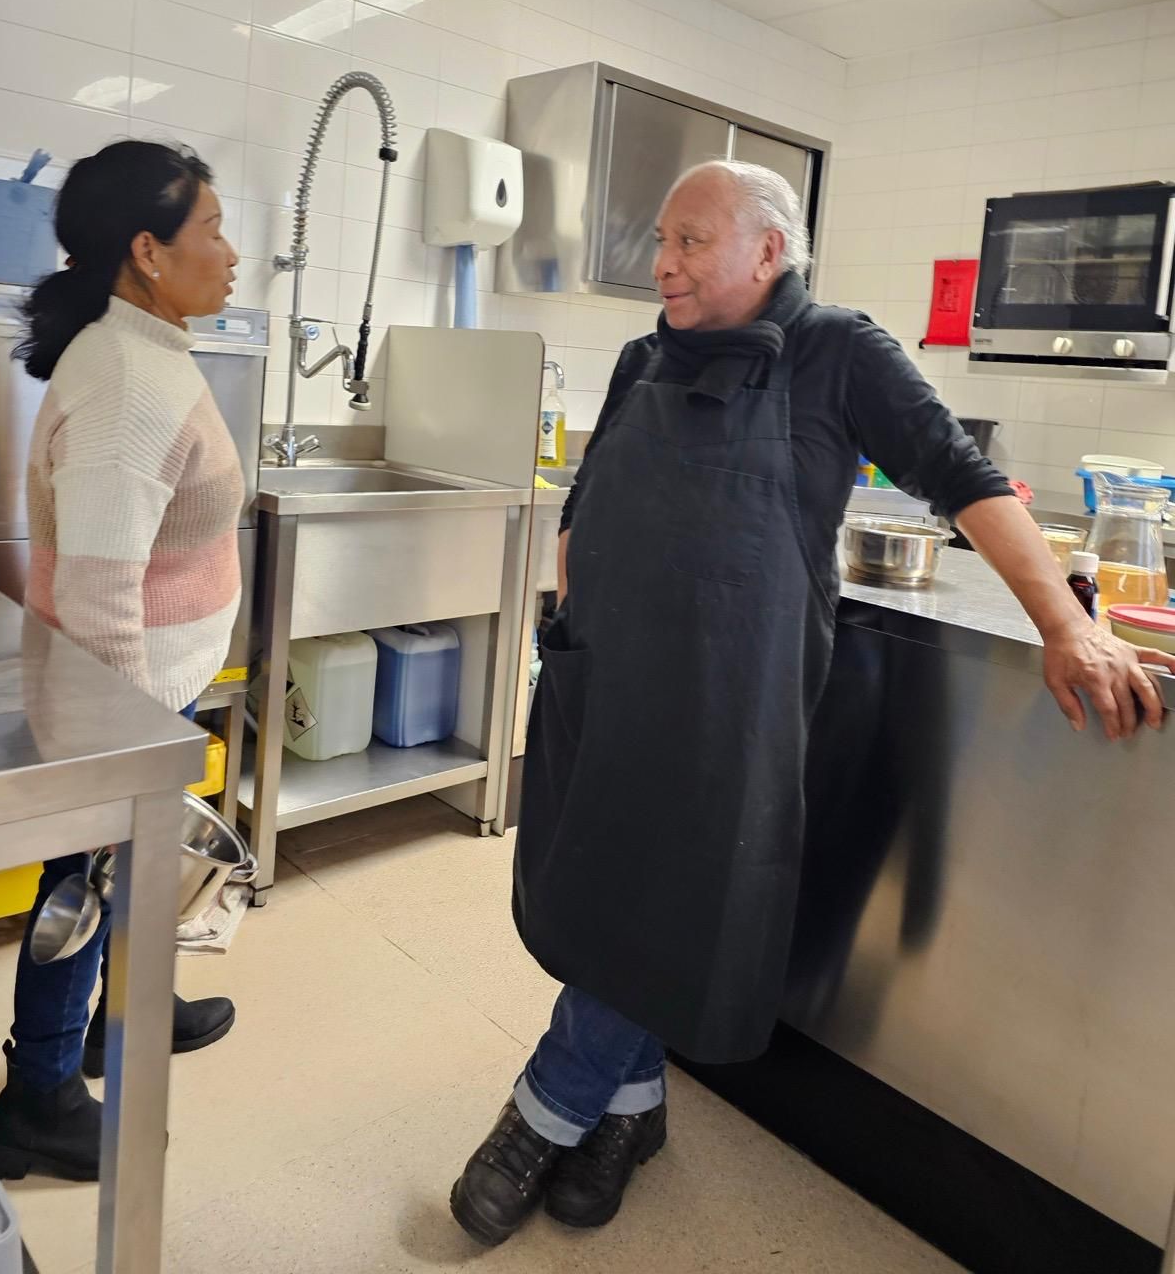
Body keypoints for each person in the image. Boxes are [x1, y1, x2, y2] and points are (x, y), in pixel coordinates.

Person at [450, 159, 1175, 1246]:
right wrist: (574, 611)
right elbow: (588, 496)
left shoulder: (839, 351)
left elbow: (963, 478)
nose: (663, 263)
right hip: (607, 679)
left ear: (768, 250)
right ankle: (631, 1111)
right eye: (662, 239)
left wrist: (1066, 624)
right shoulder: (645, 355)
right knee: (602, 883)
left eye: (692, 241)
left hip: (726, 702)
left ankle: (545, 1111)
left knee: (668, 892)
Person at [0, 140, 245, 1183]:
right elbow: (97, 594)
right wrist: (117, 754)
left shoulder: (147, 346)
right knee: (82, 883)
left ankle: (125, 1012)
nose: (230, 251)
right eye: (212, 228)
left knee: (126, 869)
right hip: (118, 693)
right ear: (148, 250)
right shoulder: (126, 384)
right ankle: (40, 1095)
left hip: (156, 682)